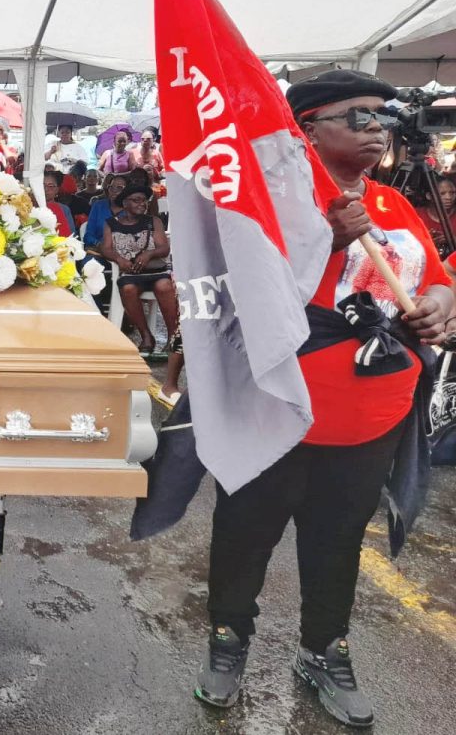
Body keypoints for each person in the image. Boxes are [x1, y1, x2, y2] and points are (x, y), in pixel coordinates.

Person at [194, 70, 454, 727]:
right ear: (308, 130)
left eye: (383, 116)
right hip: (279, 418)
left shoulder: (395, 210)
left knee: (337, 544)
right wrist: (325, 237)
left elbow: (441, 280)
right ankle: (228, 643)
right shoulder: (268, 206)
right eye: (358, 115)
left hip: (374, 422)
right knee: (244, 539)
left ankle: (323, 651)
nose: (379, 128)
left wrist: (437, 310)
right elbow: (233, 295)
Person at [97, 184, 176, 355]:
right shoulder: (111, 223)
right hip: (131, 272)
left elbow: (164, 248)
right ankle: (146, 336)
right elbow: (106, 248)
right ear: (125, 204)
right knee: (128, 289)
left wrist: (149, 253)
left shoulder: (153, 221)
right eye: (136, 200)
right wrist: (119, 259)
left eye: (144, 200)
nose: (142, 204)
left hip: (155, 271)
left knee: (165, 286)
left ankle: (173, 338)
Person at [83, 173, 126, 251]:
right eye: (111, 187)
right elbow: (88, 236)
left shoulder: (130, 209)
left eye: (119, 188)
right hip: (98, 250)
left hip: (124, 252)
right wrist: (99, 245)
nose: (114, 191)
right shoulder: (98, 206)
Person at [419, 174, 456, 258]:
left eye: (452, 193)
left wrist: (452, 240)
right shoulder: (417, 215)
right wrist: (426, 241)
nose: (448, 197)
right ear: (429, 196)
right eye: (442, 194)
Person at [41, 169, 75, 236]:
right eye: (43, 185)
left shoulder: (64, 209)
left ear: (57, 190)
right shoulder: (30, 207)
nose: (46, 189)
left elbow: (71, 234)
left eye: (50, 186)